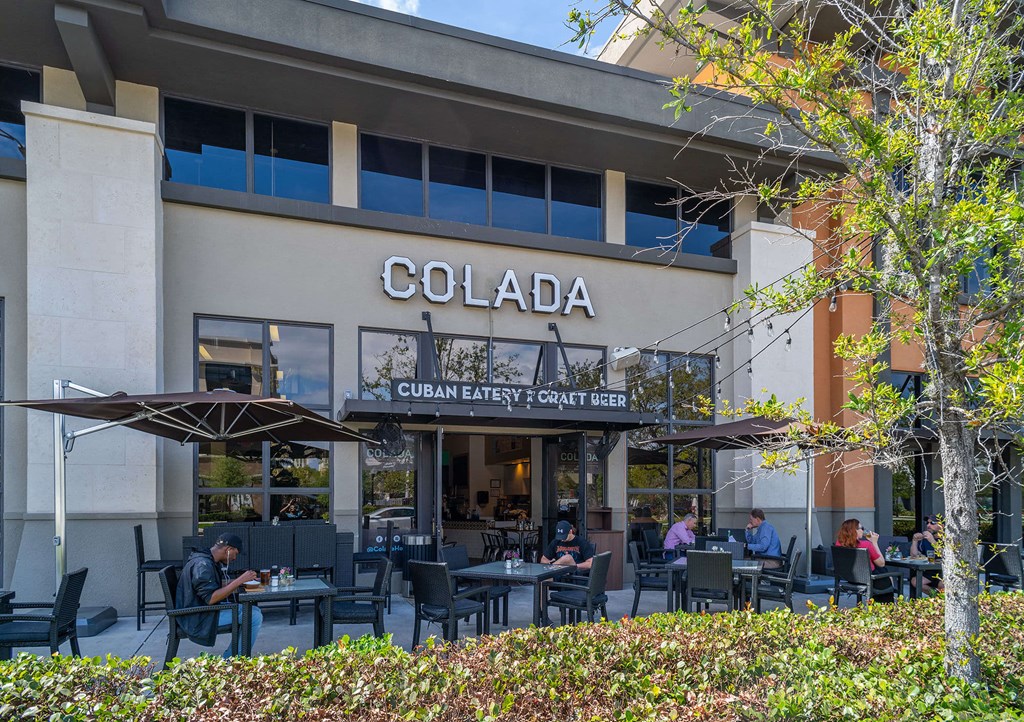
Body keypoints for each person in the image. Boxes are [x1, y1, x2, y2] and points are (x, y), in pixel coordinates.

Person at [176, 532, 262, 657]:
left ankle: (233, 656)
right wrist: (239, 580)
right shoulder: (203, 565)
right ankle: (234, 659)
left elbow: (211, 586)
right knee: (254, 616)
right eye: (235, 553)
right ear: (228, 550)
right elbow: (211, 598)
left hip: (201, 612)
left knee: (254, 611)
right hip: (197, 618)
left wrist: (242, 582)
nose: (235, 558)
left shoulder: (206, 560)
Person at [836, 518, 896, 602]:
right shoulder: (866, 545)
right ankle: (885, 607)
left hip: (850, 579)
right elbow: (881, 563)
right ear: (854, 530)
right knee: (886, 575)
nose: (863, 530)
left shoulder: (838, 544)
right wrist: (874, 543)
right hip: (869, 580)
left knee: (883, 572)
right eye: (862, 528)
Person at [910, 514, 944, 594]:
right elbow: (914, 555)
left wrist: (932, 541)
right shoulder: (925, 539)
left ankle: (941, 598)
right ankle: (935, 596)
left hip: (944, 571)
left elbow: (946, 555)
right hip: (930, 570)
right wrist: (914, 541)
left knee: (942, 585)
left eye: (932, 523)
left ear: (942, 526)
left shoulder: (947, 538)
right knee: (915, 581)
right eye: (927, 523)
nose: (928, 525)